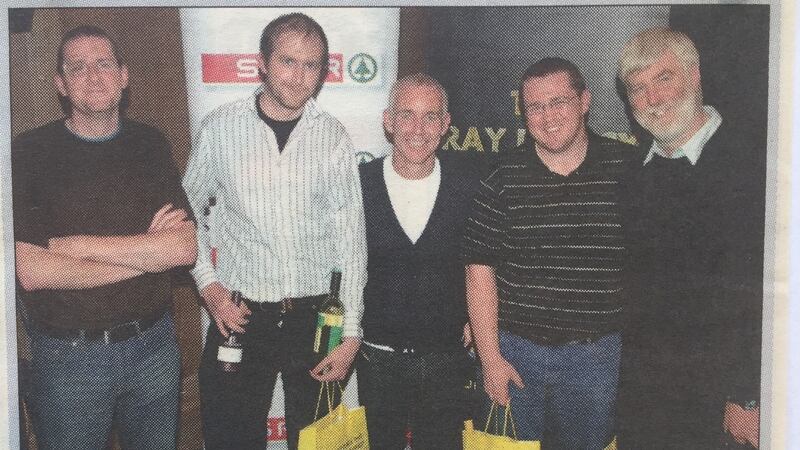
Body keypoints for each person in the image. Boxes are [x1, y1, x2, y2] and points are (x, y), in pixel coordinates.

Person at [182, 12, 367, 450]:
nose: (299, 77)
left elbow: (351, 238)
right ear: (262, 63)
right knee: (231, 440)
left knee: (318, 444)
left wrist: (352, 330)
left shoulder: (333, 137)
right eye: (288, 61)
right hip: (240, 316)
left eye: (311, 65)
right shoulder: (219, 128)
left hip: (319, 320)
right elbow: (186, 213)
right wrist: (209, 288)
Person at [12, 25, 196, 450]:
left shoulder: (150, 143)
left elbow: (183, 248)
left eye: (104, 64)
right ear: (60, 84)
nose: (94, 76)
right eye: (78, 68)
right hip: (70, 360)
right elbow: (34, 271)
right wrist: (148, 253)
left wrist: (74, 246)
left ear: (124, 75)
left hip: (155, 348)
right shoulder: (30, 151)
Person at [462, 57, 639, 449]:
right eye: (535, 107)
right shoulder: (500, 176)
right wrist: (490, 360)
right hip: (515, 351)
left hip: (597, 357)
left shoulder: (626, 169)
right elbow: (479, 272)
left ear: (585, 101)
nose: (547, 116)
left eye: (558, 102)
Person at [616, 27, 763, 449]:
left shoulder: (751, 165)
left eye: (664, 78)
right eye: (637, 88)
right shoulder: (633, 174)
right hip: (643, 400)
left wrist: (747, 394)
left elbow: (764, 294)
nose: (653, 99)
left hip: (720, 405)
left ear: (695, 75)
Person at [355, 73, 480, 449]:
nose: (418, 128)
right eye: (406, 114)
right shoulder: (357, 183)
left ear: (446, 124)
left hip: (446, 357)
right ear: (388, 121)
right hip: (376, 356)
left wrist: (480, 319)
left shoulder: (470, 182)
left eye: (430, 117)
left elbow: (492, 259)